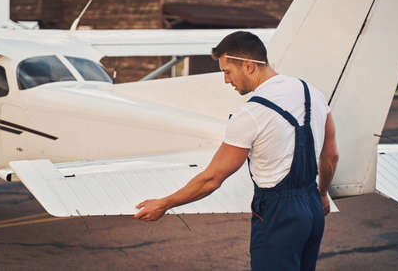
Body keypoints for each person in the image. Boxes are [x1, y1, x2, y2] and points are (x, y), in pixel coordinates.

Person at [133, 31, 338, 271]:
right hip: (312, 206)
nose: (226, 81)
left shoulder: (250, 113)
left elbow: (212, 178)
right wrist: (322, 193)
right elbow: (331, 155)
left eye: (227, 72)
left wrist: (165, 203)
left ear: (249, 66)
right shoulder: (312, 93)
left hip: (279, 216)